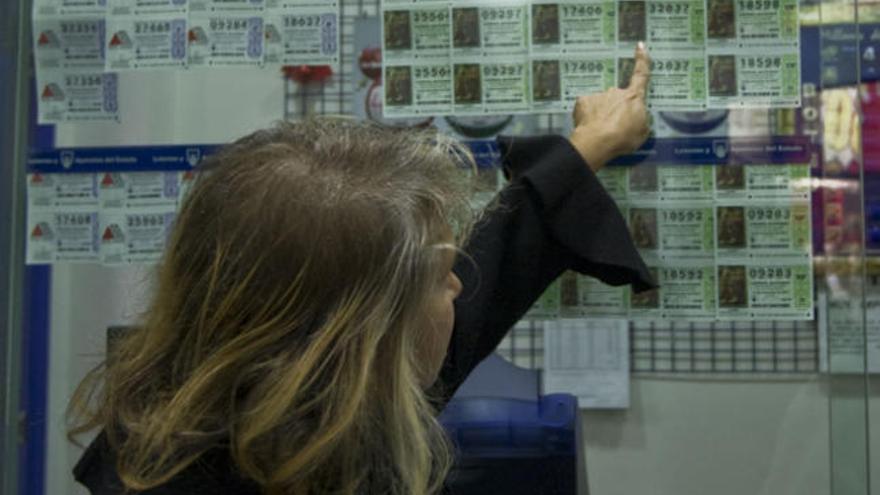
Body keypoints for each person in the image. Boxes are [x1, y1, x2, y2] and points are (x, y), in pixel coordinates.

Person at [69, 44, 654, 495]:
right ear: (361, 337)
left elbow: (488, 280)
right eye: (441, 274)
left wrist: (584, 149)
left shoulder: (200, 420)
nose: (459, 284)